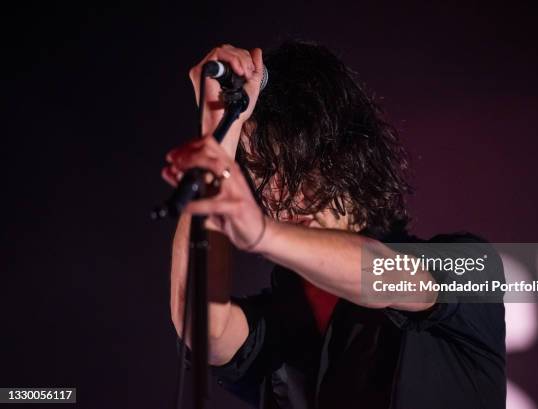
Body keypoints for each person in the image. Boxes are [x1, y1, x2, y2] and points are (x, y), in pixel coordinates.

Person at [162, 41, 506, 409]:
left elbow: (388, 276)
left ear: (348, 157)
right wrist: (219, 130)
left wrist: (263, 233)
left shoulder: (472, 263)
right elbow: (202, 327)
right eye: (263, 171)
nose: (282, 193)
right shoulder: (282, 317)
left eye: (298, 164)